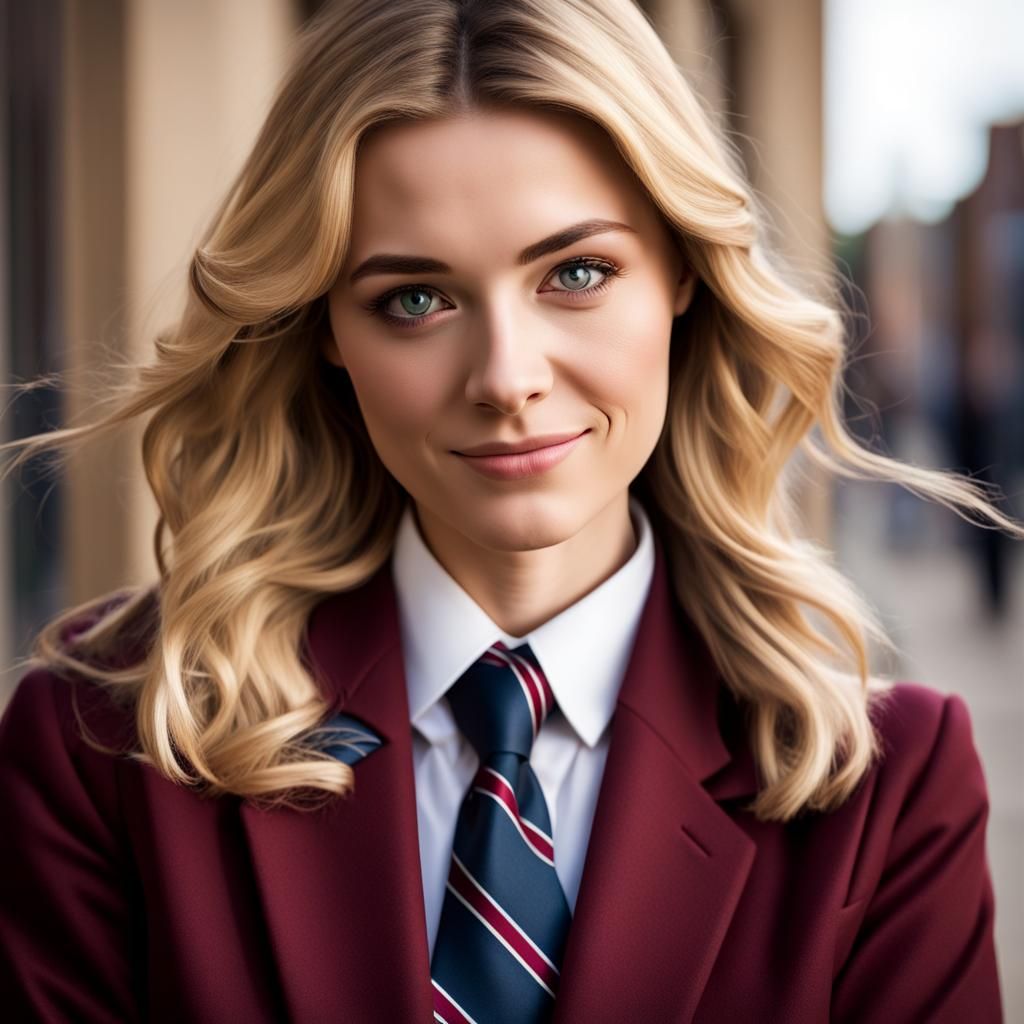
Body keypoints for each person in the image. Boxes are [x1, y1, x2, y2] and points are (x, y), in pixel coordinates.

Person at [0, 1, 1018, 1020]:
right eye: (414, 299)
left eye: (576, 273)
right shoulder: (102, 743)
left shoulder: (886, 789)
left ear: (682, 275)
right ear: (322, 330)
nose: (504, 376)